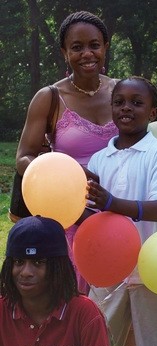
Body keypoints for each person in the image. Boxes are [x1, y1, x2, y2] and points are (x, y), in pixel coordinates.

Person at [85, 76, 157, 346]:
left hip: (152, 268)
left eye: (137, 103)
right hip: (107, 268)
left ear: (152, 111)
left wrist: (112, 202)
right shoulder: (100, 159)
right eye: (120, 101)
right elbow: (91, 211)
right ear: (111, 108)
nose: (127, 108)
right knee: (101, 344)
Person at [15, 11, 119, 295]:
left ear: (105, 47)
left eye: (94, 45)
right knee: (68, 307)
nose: (87, 53)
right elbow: (24, 158)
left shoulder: (122, 93)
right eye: (77, 47)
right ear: (64, 52)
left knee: (116, 310)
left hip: (118, 215)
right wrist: (63, 176)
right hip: (68, 218)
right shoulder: (49, 97)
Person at [0, 215, 114, 346]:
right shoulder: (3, 309)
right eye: (18, 261)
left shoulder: (84, 312)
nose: (25, 272)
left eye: (38, 262)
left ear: (58, 268)